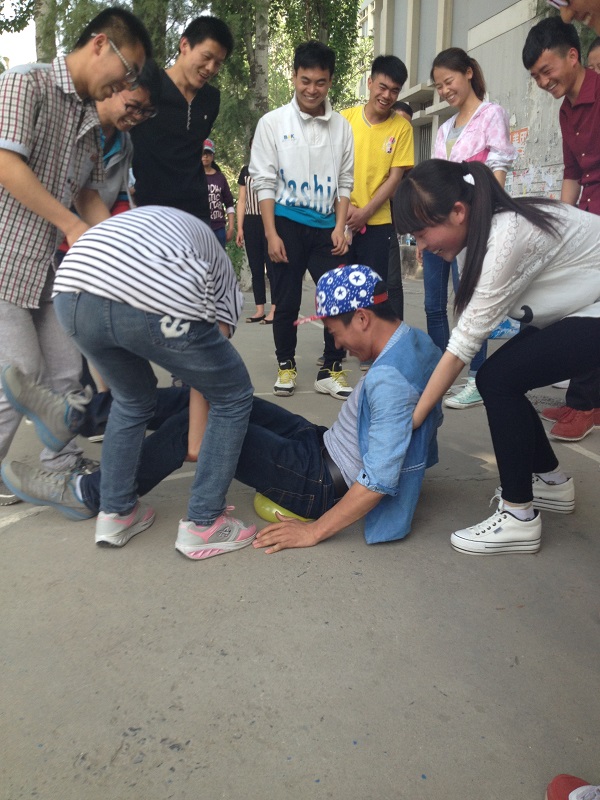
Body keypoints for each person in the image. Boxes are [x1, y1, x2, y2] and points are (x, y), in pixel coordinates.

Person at [3, 265, 443, 552]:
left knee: (198, 427)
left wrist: (313, 531)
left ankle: (88, 493)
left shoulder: (389, 382)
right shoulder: (415, 342)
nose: (337, 344)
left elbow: (378, 480)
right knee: (217, 402)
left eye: (334, 332)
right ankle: (78, 415)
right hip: (319, 444)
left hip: (319, 483)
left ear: (362, 317)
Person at [2, 205, 256, 559]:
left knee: (132, 398)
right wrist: (196, 439)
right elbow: (211, 370)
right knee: (235, 394)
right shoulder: (222, 273)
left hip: (72, 290)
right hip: (150, 287)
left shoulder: (160, 224)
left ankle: (115, 512)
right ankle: (205, 523)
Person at [394, 158, 600, 556]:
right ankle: (552, 482)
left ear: (458, 212)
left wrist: (412, 420)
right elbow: (468, 333)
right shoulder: (479, 236)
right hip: (582, 307)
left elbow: (462, 346)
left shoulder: (506, 236)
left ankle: (519, 515)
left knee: (498, 379)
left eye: (421, 234)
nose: (421, 249)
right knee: (500, 376)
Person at [0, 7, 152, 507]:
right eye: (127, 71)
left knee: (67, 371)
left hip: (46, 266)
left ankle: (60, 465)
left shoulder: (90, 119)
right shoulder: (27, 83)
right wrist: (69, 225)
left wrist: (113, 247)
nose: (124, 87)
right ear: (100, 44)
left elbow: (87, 193)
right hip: (4, 258)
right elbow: (5, 163)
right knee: (19, 371)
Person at [249, 41, 354, 400]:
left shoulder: (342, 127)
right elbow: (264, 181)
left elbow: (345, 181)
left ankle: (331, 369)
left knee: (339, 298)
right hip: (286, 225)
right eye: (305, 80)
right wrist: (270, 233)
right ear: (294, 76)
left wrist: (340, 227)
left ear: (330, 81)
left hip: (327, 227)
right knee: (287, 301)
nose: (312, 89)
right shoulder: (272, 123)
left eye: (320, 82)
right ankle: (286, 364)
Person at [425, 47, 516, 410]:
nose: (444, 90)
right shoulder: (444, 129)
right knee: (434, 304)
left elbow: (498, 166)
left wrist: (485, 219)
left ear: (467, 73)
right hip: (440, 226)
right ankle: (439, 372)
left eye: (448, 81)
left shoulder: (491, 114)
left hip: (471, 225)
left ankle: (477, 378)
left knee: (469, 304)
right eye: (438, 86)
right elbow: (434, 181)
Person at [523, 17, 600, 441]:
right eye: (536, 76)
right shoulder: (565, 110)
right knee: (579, 307)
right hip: (587, 218)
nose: (542, 81)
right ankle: (581, 400)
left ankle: (586, 405)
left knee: (590, 312)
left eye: (546, 70)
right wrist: (558, 227)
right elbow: (572, 172)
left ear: (572, 56)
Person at [130, 16, 233, 223]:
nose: (210, 68)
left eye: (218, 63)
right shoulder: (149, 88)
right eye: (206, 57)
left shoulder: (211, 99)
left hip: (196, 212)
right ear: (184, 45)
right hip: (148, 210)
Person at [340, 56, 413, 282]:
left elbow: (394, 179)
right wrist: (345, 207)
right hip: (339, 218)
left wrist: (365, 213)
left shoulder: (402, 128)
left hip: (378, 224)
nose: (387, 95)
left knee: (372, 291)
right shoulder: (344, 119)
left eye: (394, 90)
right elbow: (329, 168)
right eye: (382, 87)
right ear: (370, 83)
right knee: (339, 290)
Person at [237, 137, 276, 323]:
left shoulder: (273, 168)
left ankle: (275, 309)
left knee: (273, 266)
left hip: (269, 221)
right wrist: (239, 228)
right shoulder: (246, 171)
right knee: (256, 267)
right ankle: (259, 309)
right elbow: (242, 200)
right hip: (251, 222)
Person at [201, 138, 235, 249]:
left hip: (218, 227)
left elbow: (229, 203)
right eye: (203, 153)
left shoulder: (220, 177)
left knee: (219, 258)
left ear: (213, 156)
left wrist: (231, 227)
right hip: (200, 227)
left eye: (208, 153)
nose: (205, 156)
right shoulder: (194, 177)